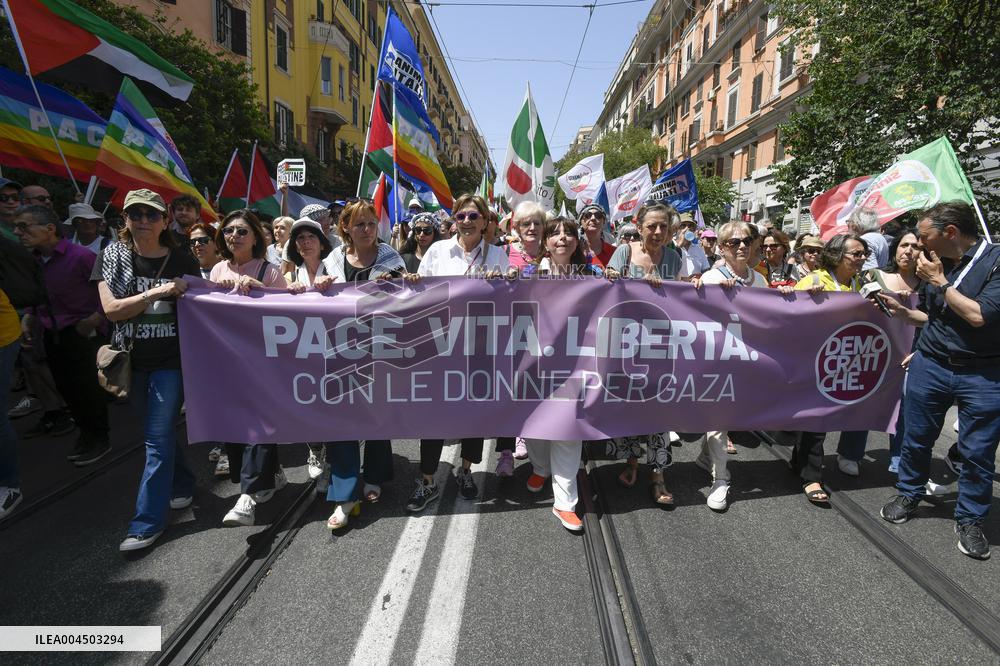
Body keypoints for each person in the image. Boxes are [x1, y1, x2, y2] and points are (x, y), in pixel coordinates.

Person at [879, 202, 1000, 560]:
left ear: (949, 233)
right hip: (930, 364)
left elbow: (978, 316)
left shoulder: (993, 262)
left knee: (977, 452)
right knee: (916, 437)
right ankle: (910, 492)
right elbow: (934, 317)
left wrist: (939, 281)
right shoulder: (937, 263)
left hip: (982, 372)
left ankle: (970, 519)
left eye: (924, 236)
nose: (917, 244)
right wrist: (904, 313)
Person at [93, 189, 199, 552]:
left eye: (150, 215)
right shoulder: (111, 257)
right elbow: (112, 310)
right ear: (124, 220)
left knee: (155, 439)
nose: (142, 221)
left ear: (164, 221)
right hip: (130, 362)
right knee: (161, 432)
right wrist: (158, 293)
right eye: (134, 214)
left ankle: (145, 523)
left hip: (172, 363)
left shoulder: (183, 258)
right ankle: (183, 484)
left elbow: (204, 309)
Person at [404, 194, 510, 512]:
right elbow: (421, 294)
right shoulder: (437, 251)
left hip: (479, 347)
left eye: (473, 216)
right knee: (434, 414)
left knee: (472, 415)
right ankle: (427, 480)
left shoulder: (498, 256)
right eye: (461, 216)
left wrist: (503, 281)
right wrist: (414, 281)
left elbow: (509, 298)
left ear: (485, 221)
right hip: (441, 346)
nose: (467, 221)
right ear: (453, 219)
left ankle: (465, 472)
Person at [315, 201, 401, 529]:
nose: (367, 229)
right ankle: (345, 495)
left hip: (381, 349)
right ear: (346, 228)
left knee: (376, 414)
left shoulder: (390, 257)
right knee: (343, 421)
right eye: (360, 224)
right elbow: (316, 301)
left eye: (371, 223)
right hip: (341, 349)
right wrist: (319, 286)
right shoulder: (332, 260)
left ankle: (375, 477)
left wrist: (404, 283)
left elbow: (406, 300)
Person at [210, 210, 289, 527]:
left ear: (256, 237)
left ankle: (248, 497)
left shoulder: (270, 271)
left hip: (262, 363)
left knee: (259, 425)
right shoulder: (216, 270)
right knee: (236, 426)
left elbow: (289, 312)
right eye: (229, 231)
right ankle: (275, 475)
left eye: (242, 231)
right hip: (227, 363)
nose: (234, 236)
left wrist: (261, 291)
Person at [15, 205, 111, 466]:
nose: (18, 232)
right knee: (65, 387)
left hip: (83, 333)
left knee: (88, 388)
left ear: (49, 229)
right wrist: (29, 318)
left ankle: (99, 437)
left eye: (25, 226)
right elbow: (38, 296)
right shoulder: (33, 261)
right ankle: (85, 433)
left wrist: (94, 319)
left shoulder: (81, 257)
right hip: (52, 333)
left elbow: (109, 292)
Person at [605, 202, 688, 505]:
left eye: (663, 227)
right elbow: (609, 279)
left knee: (659, 410)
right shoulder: (625, 252)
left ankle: (658, 474)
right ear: (638, 227)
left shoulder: (675, 258)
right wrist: (621, 277)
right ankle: (632, 463)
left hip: (661, 348)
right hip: (626, 346)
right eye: (651, 226)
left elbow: (683, 298)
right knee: (629, 407)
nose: (657, 231)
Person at [522, 215, 598, 532]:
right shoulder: (528, 274)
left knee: (568, 428)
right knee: (536, 422)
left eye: (569, 233)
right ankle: (540, 466)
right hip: (535, 360)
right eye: (555, 234)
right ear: (546, 243)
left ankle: (565, 503)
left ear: (577, 242)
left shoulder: (591, 275)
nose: (562, 238)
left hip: (576, 363)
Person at [787, 233, 869, 503]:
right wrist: (802, 298)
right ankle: (812, 477)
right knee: (817, 418)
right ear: (837, 256)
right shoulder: (814, 280)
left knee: (815, 416)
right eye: (856, 254)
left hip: (839, 360)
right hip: (810, 358)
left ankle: (799, 462)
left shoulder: (860, 283)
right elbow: (785, 313)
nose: (862, 259)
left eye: (863, 254)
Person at [696, 222, 771, 510]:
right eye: (733, 242)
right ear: (722, 248)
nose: (741, 246)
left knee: (733, 415)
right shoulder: (711, 277)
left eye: (747, 241)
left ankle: (706, 457)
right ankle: (720, 478)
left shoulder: (760, 280)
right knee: (719, 417)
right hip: (719, 359)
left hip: (748, 360)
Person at [868, 229, 923, 474]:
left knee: (905, 407)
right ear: (895, 249)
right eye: (903, 245)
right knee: (862, 400)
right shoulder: (875, 276)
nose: (908, 251)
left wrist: (919, 352)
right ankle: (851, 453)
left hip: (912, 356)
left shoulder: (930, 285)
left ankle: (898, 460)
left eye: (915, 246)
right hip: (875, 352)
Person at [507, 201, 547, 273]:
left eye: (537, 223)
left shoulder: (551, 254)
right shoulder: (504, 251)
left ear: (543, 227)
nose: (532, 228)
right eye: (526, 224)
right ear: (517, 228)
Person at [578, 204, 616, 269]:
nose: (593, 218)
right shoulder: (573, 251)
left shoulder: (614, 252)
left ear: (603, 222)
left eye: (598, 215)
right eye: (588, 215)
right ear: (581, 222)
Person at [673, 212, 710, 279]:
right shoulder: (671, 244)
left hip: (694, 287)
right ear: (676, 229)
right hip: (676, 287)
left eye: (690, 226)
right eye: (683, 225)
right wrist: (679, 244)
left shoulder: (698, 248)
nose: (687, 229)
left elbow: (706, 271)